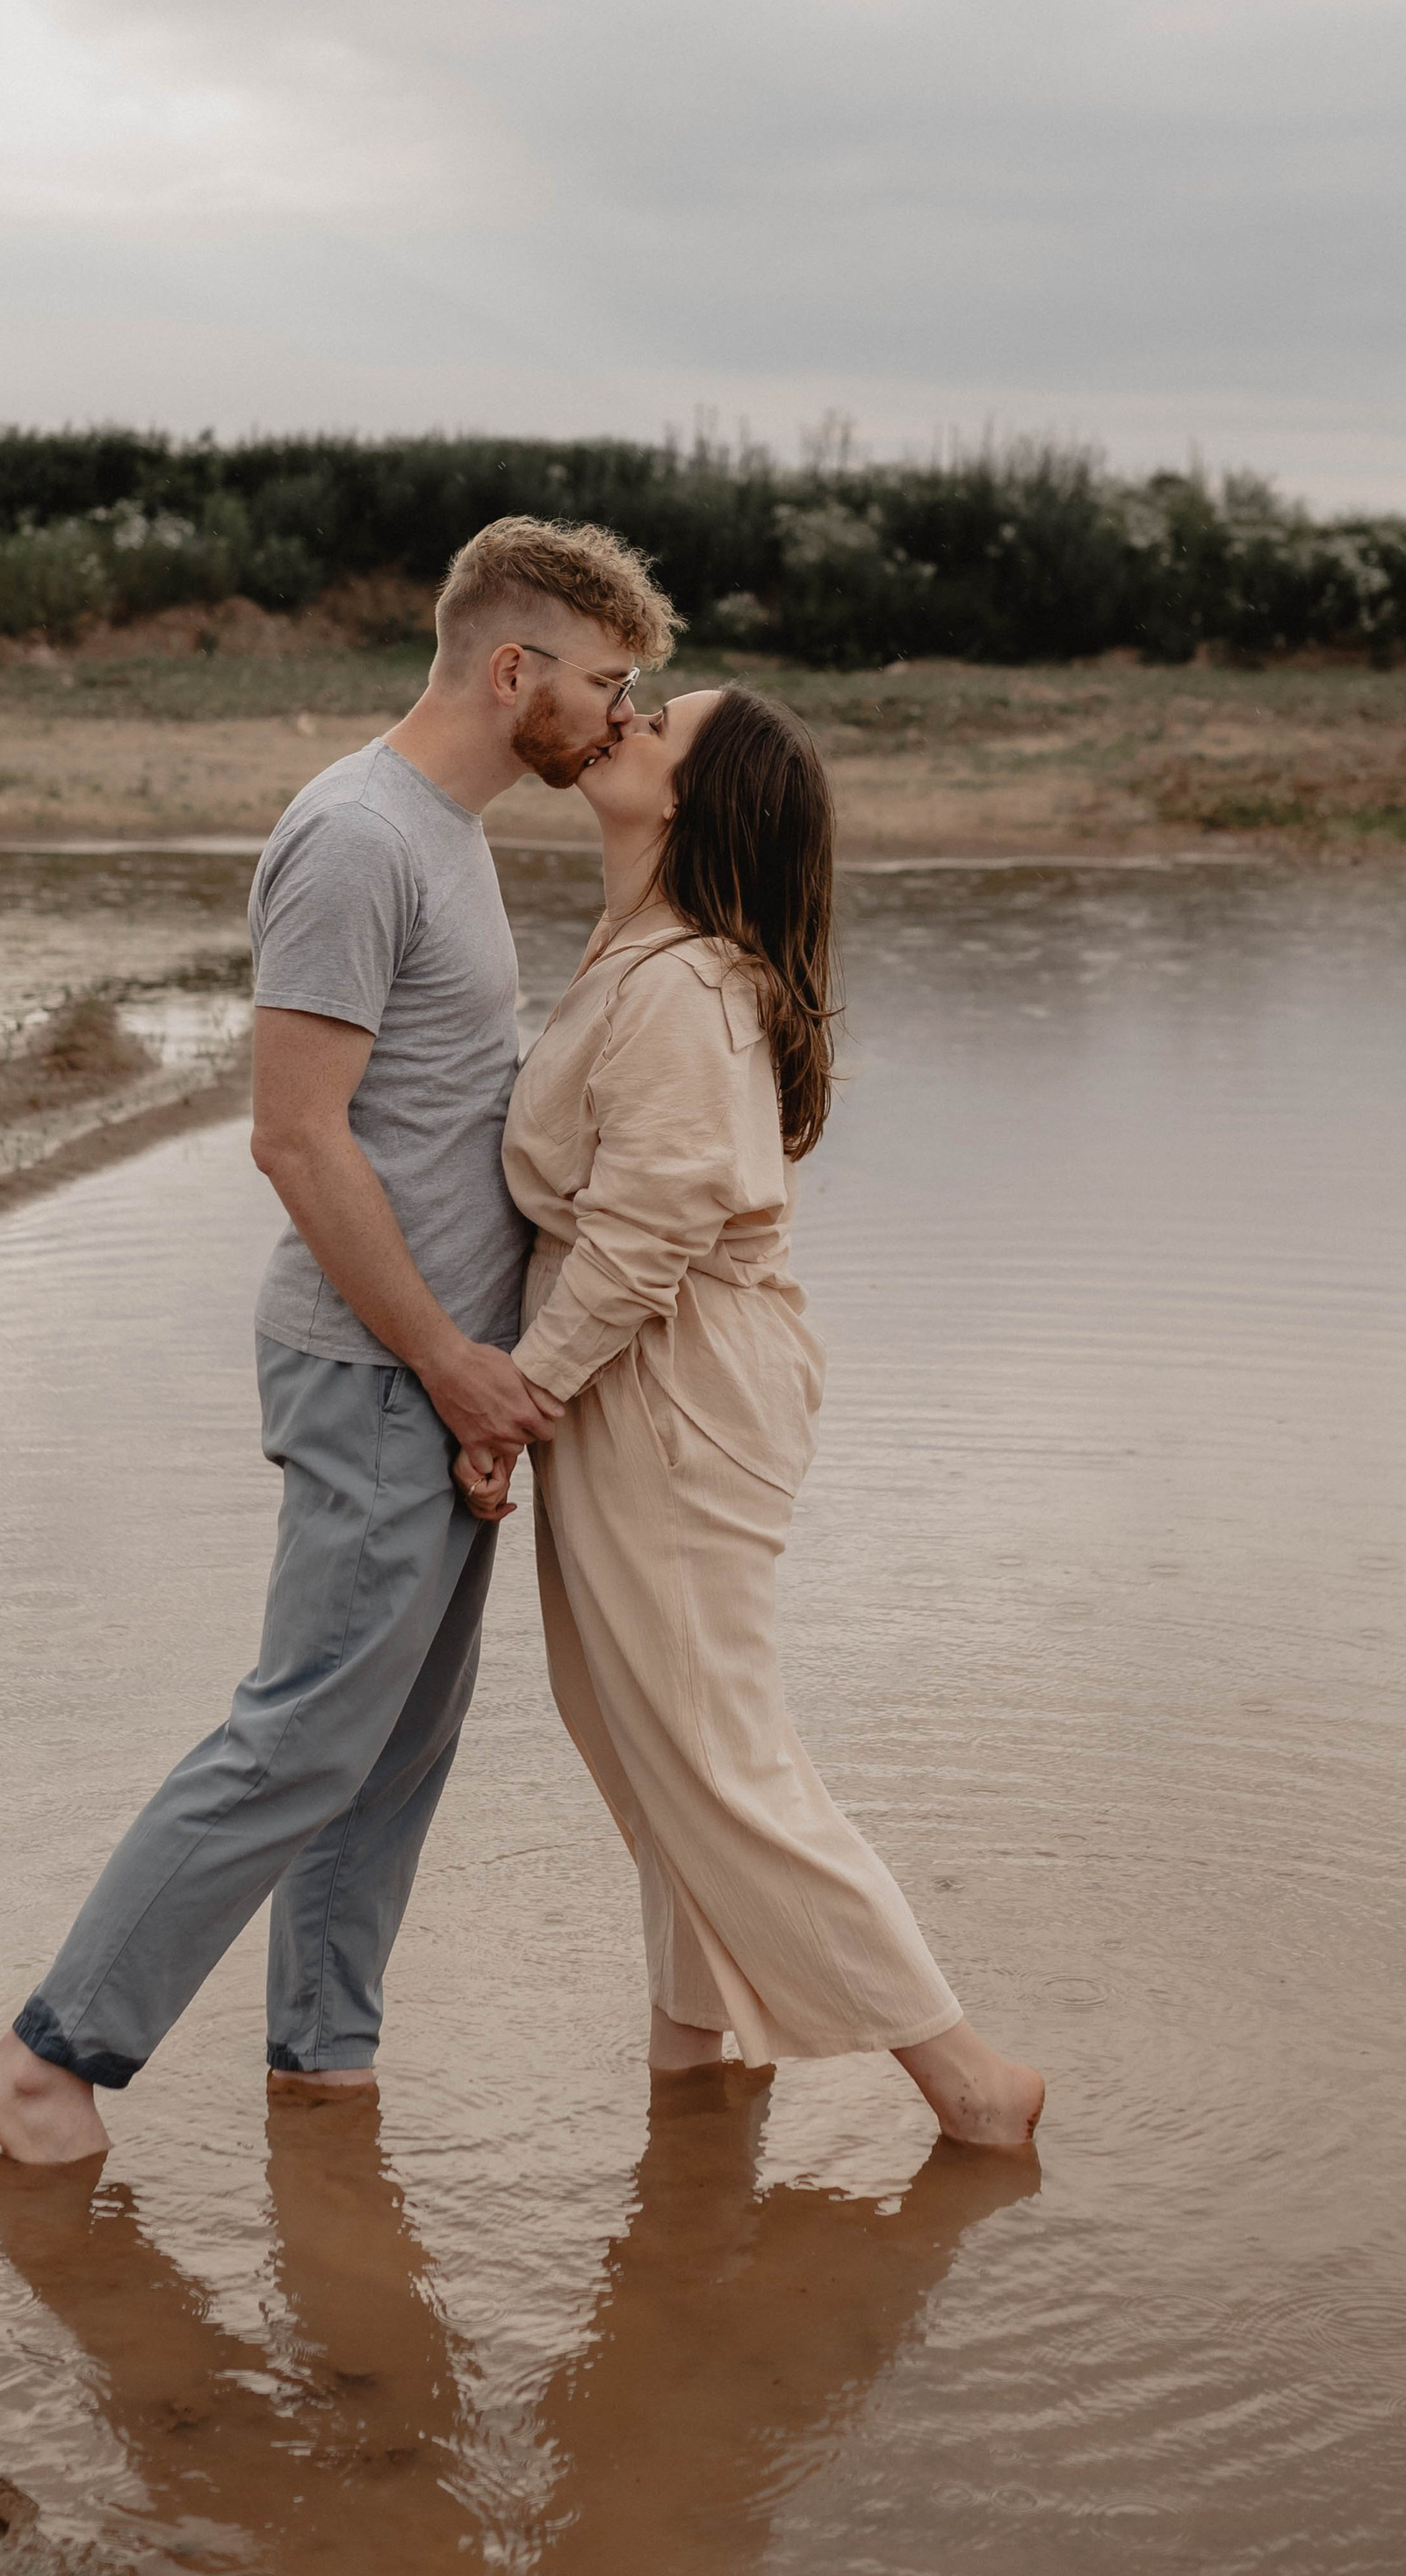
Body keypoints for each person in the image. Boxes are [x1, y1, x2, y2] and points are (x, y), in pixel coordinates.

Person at [0, 516, 675, 2164]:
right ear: (516, 671)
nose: (621, 714)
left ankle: (322, 2064)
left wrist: (494, 1370)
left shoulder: (449, 836)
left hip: (438, 1375)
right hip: (378, 1369)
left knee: (393, 1753)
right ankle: (49, 2053)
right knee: (301, 1736)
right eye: (607, 680)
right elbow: (298, 1139)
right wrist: (445, 1359)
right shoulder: (357, 836)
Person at [459, 684, 1044, 2148]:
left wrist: (511, 1403)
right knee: (656, 1741)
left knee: (714, 1750)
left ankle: (971, 2083)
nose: (621, 721)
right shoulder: (643, 953)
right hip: (652, 1379)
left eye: (656, 723)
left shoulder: (688, 989)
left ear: (692, 801)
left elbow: (650, 1233)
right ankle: (690, 2060)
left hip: (669, 1388)